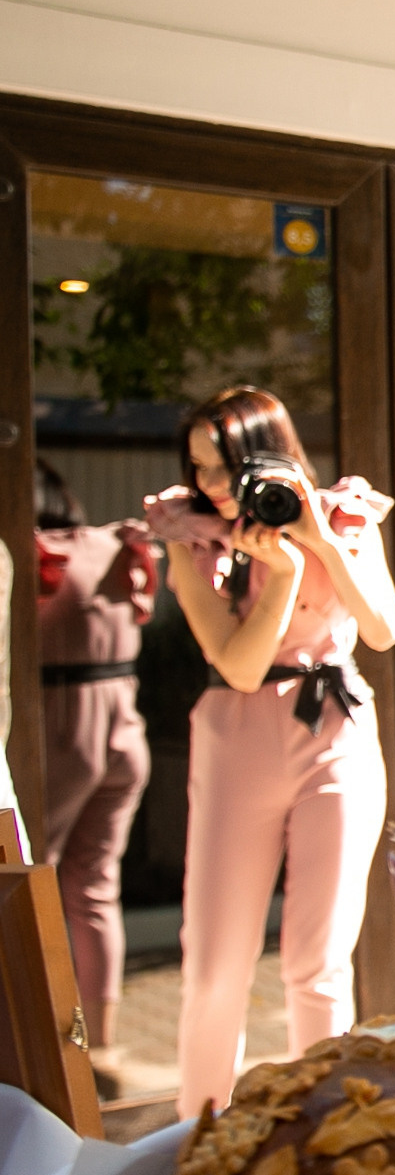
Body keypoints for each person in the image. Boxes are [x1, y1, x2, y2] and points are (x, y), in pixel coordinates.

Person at [150, 388, 395, 1113]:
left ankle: (327, 1128)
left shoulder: (342, 514)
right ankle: (200, 1130)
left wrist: (317, 541)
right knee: (215, 963)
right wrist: (283, 576)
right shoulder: (192, 536)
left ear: (268, 456)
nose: (210, 485)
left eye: (223, 466)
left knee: (317, 962)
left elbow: (382, 629)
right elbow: (237, 665)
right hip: (239, 737)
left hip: (336, 729)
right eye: (197, 468)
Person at [33, 458, 158, 1092]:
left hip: (64, 729)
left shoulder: (38, 553)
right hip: (125, 732)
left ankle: (43, 1036)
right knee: (94, 887)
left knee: (34, 883)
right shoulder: (116, 544)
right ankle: (100, 1046)